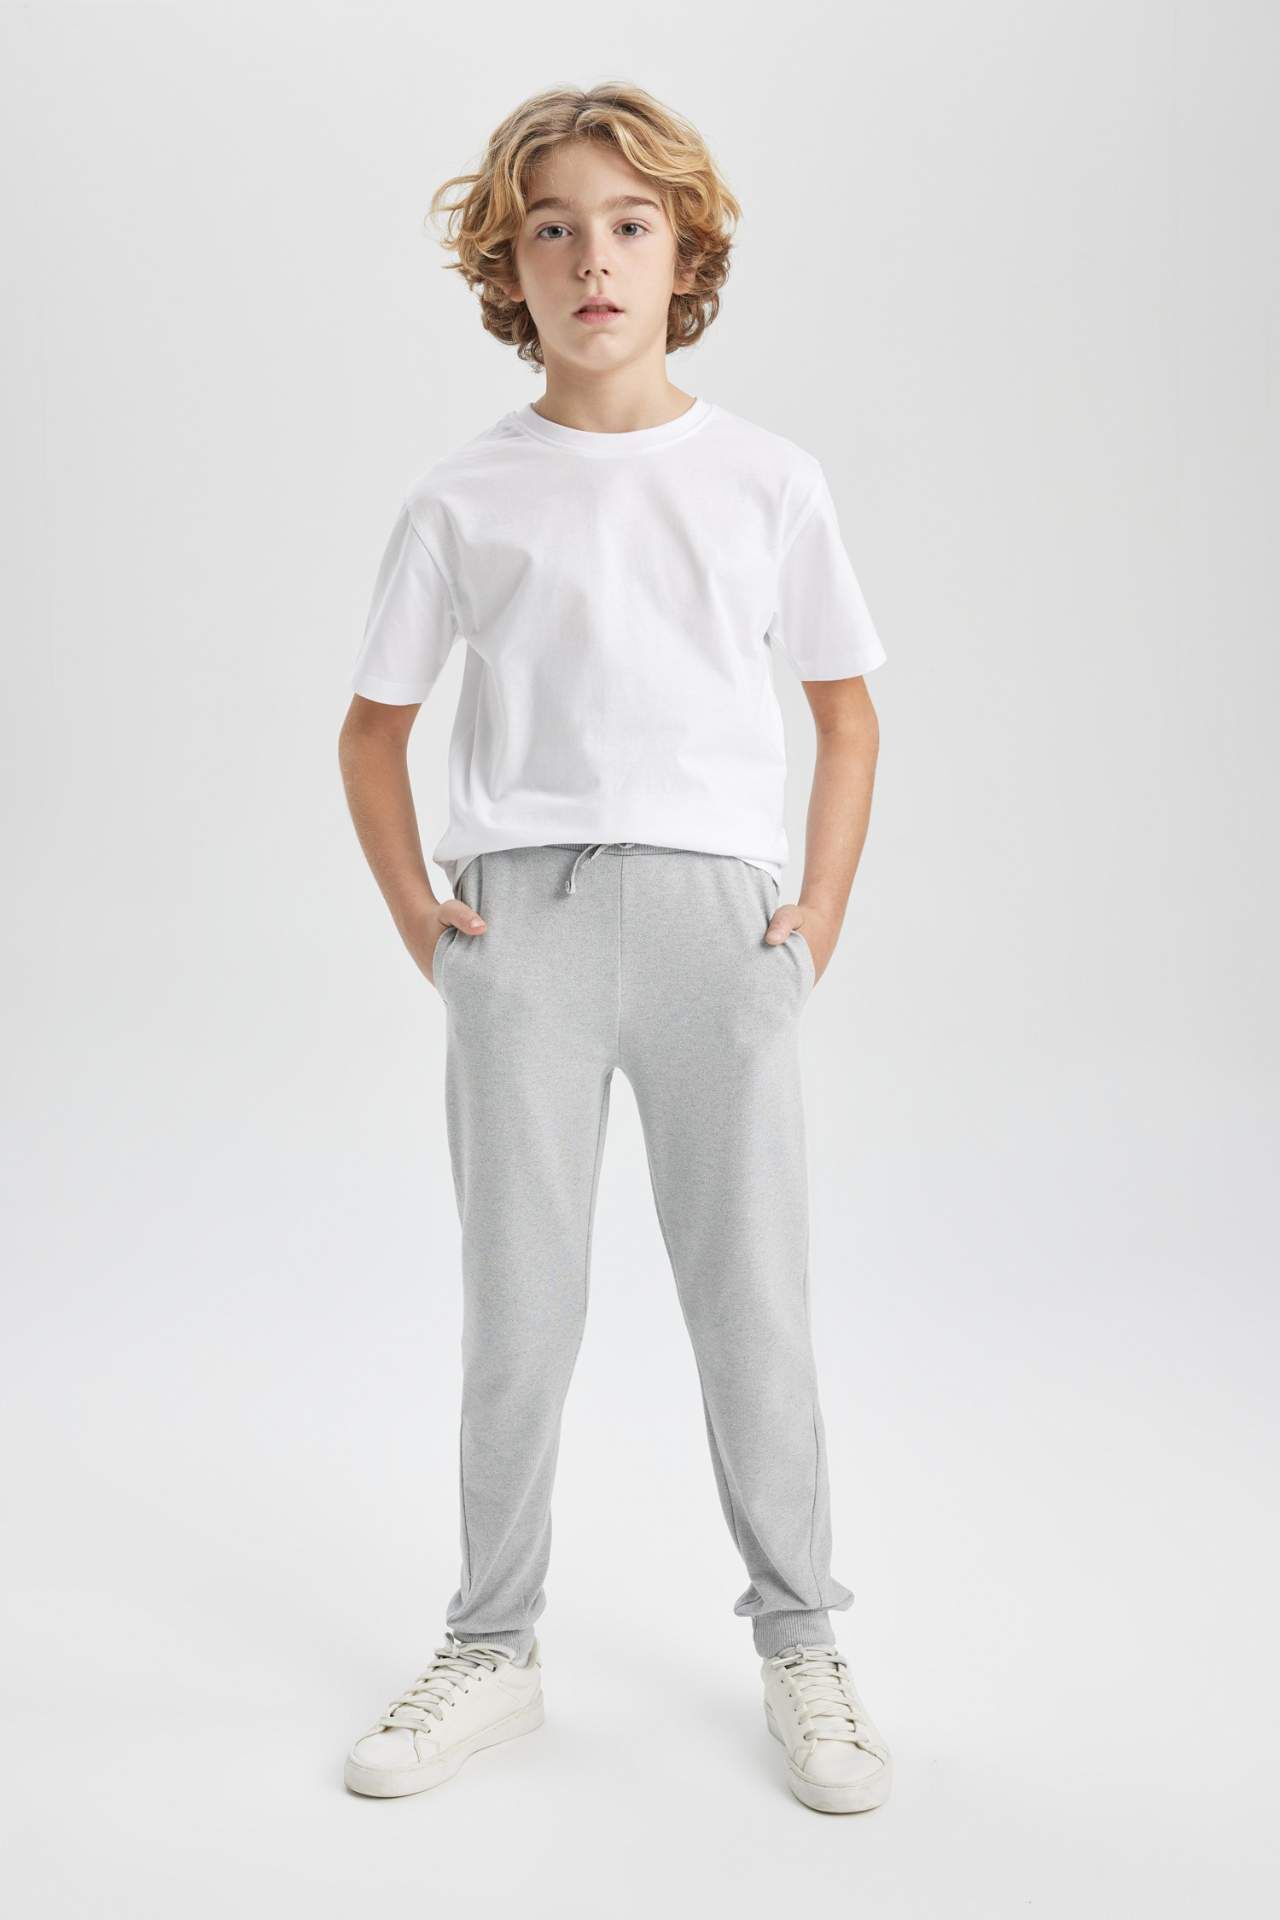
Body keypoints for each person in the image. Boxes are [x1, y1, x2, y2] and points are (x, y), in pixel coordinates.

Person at [337, 81, 893, 1816]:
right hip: (528, 929)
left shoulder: (766, 480)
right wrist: (433, 928)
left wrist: (811, 922)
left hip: (723, 933)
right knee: (520, 1310)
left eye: (630, 227)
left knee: (755, 1308)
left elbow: (847, 715)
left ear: (684, 256)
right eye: (555, 229)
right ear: (507, 267)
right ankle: (490, 1645)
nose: (594, 259)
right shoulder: (467, 497)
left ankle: (803, 1641)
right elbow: (372, 733)